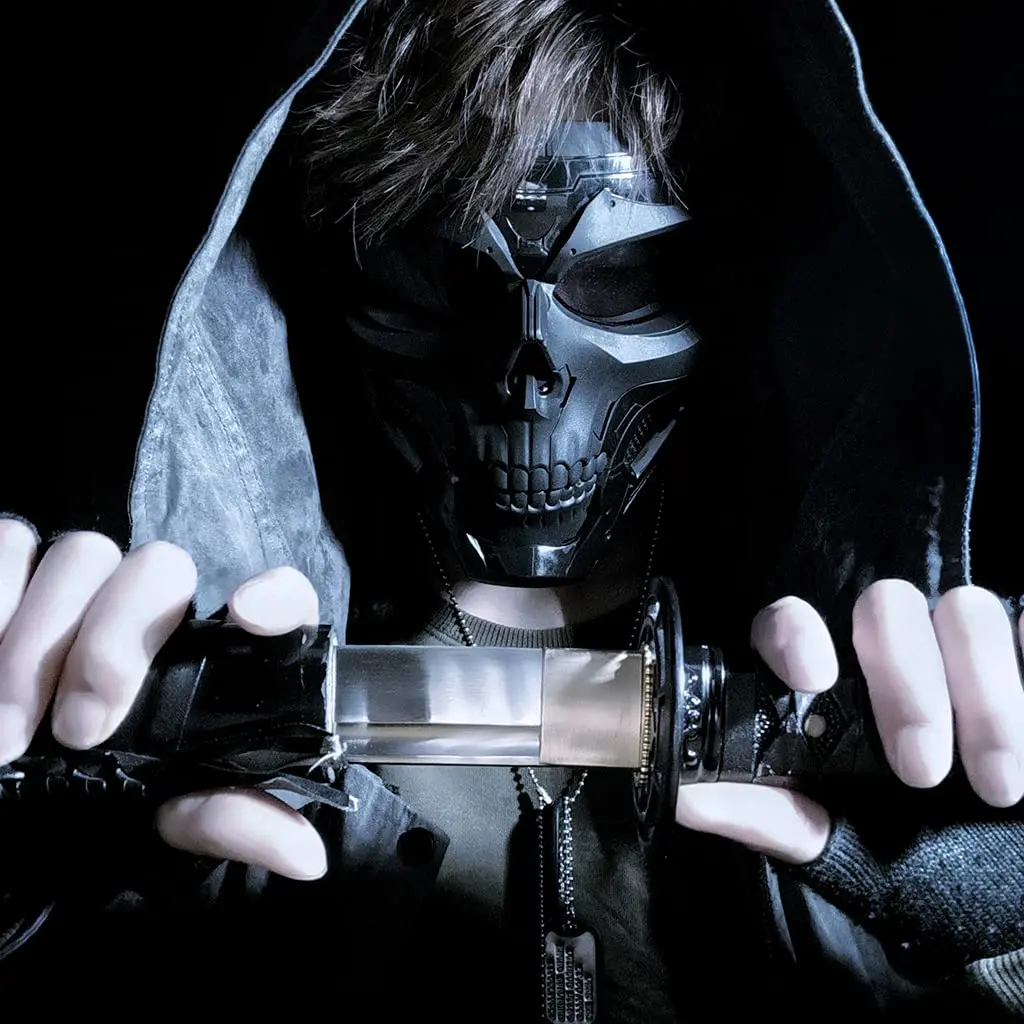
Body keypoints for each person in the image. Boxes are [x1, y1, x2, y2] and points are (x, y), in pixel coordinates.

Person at [1, 0, 1021, 1018]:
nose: (528, 377)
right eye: (443, 275)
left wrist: (989, 958)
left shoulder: (859, 711)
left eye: (619, 277)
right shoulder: (186, 706)